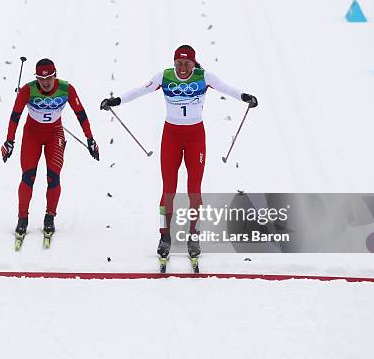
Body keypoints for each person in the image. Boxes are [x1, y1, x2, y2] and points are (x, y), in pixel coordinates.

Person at [100, 45, 257, 259]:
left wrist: (245, 97)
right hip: (171, 137)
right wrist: (116, 100)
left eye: (187, 64)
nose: (182, 68)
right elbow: (139, 90)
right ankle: (165, 237)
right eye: (178, 64)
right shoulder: (164, 76)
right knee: (169, 190)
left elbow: (227, 88)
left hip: (195, 138)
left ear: (194, 63)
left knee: (194, 189)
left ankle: (194, 236)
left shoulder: (204, 76)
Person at [2, 58, 99, 243]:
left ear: (55, 75)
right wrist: (9, 141)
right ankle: (22, 218)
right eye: (40, 78)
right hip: (32, 135)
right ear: (36, 77)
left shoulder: (66, 89)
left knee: (53, 177)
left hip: (55, 134)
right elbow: (15, 115)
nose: (45, 82)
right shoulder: (28, 90)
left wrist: (90, 139)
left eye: (49, 78)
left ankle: (50, 217)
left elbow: (81, 114)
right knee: (28, 176)